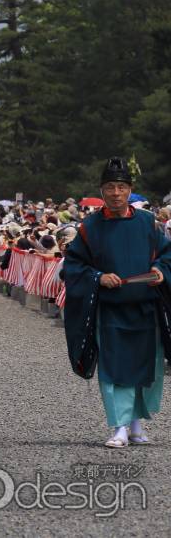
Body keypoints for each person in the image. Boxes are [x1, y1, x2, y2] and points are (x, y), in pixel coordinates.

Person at [63, 157, 171, 448]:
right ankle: (119, 427)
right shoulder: (90, 227)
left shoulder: (149, 223)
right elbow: (72, 267)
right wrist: (98, 277)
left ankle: (137, 426)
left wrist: (161, 270)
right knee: (114, 368)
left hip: (145, 307)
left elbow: (166, 255)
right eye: (109, 187)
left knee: (145, 367)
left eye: (121, 187)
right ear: (101, 191)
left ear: (130, 190)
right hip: (110, 309)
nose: (115, 193)